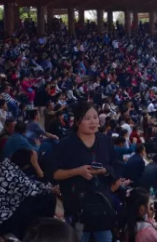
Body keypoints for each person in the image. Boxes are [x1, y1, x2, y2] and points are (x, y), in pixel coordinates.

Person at [51, 102, 117, 242]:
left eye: (95, 117)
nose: (93, 122)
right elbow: (54, 174)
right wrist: (77, 171)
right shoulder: (65, 145)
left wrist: (104, 171)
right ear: (77, 121)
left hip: (102, 208)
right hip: (76, 208)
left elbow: (115, 167)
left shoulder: (106, 142)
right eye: (87, 118)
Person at [0, 148, 57, 239]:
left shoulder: (1, 165)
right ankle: (43, 233)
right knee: (48, 198)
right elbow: (42, 189)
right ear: (27, 165)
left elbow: (32, 184)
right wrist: (36, 164)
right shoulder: (18, 178)